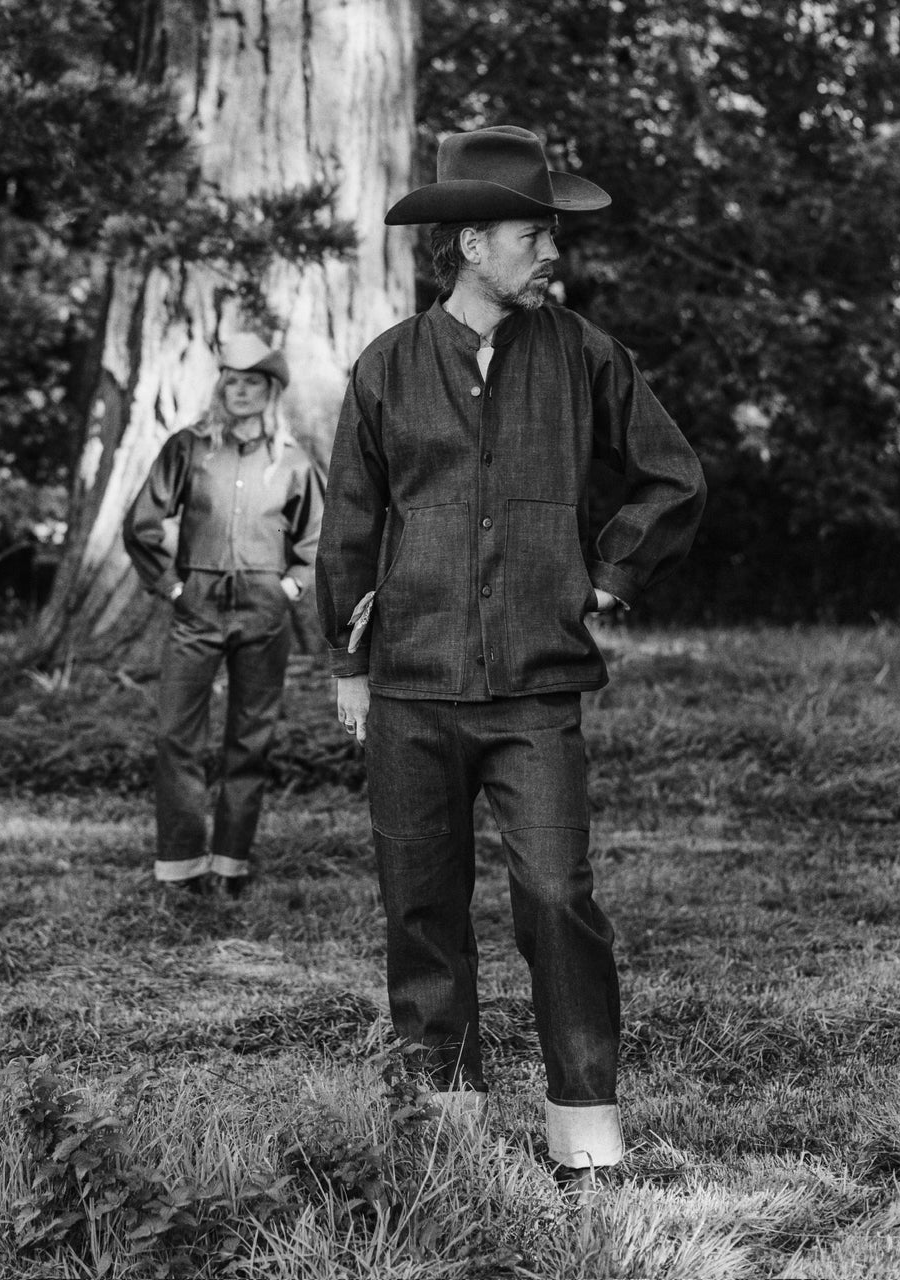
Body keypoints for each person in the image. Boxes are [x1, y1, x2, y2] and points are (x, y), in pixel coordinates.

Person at [316, 126, 706, 1179]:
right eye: (534, 237)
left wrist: (610, 575)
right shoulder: (388, 365)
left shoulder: (584, 353)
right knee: (420, 904)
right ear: (471, 243)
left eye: (550, 236)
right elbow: (349, 523)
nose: (552, 255)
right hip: (411, 684)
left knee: (556, 896)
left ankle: (585, 1125)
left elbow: (673, 475)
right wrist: (347, 665)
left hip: (536, 688)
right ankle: (444, 1120)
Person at [124, 334, 323, 897]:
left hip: (264, 608)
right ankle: (181, 865)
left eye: (252, 382)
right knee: (176, 736)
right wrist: (173, 585)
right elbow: (142, 524)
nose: (240, 391)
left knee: (250, 739)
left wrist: (291, 583)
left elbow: (316, 534)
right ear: (221, 388)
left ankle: (231, 863)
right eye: (231, 381)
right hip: (197, 606)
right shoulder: (188, 449)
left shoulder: (292, 460)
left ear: (271, 391)